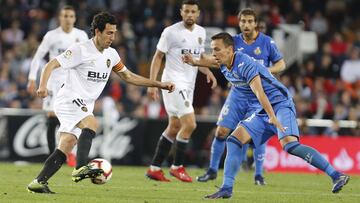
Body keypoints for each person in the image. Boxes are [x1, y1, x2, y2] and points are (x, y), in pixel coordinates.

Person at [184, 32, 349, 199]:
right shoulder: (223, 61)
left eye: (217, 49)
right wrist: (194, 61)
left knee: (289, 145)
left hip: (280, 104)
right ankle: (227, 188)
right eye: (213, 50)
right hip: (263, 109)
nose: (214, 54)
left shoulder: (245, 64)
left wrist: (272, 116)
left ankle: (336, 175)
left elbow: (260, 93)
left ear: (230, 50)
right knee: (234, 140)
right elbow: (208, 60)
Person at [27, 11, 175, 194]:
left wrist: (159, 84)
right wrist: (42, 86)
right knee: (92, 123)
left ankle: (38, 182)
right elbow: (51, 64)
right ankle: (80, 167)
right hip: (68, 99)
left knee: (67, 143)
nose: (113, 37)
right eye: (109, 33)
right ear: (97, 31)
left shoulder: (111, 55)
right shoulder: (80, 50)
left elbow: (128, 77)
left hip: (83, 104)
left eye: (114, 33)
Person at [196, 8, 286, 185]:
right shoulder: (233, 42)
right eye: (243, 21)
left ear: (255, 23)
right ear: (239, 23)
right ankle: (212, 170)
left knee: (257, 134)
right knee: (221, 131)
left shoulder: (267, 42)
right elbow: (216, 59)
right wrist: (197, 57)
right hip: (237, 93)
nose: (246, 24)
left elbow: (281, 64)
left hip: (258, 95)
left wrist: (265, 71)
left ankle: (259, 175)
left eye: (250, 21)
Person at [145, 0, 217, 183]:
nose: (190, 15)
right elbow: (158, 56)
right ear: (181, 12)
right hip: (173, 84)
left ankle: (154, 168)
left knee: (175, 126)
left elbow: (199, 58)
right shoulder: (171, 32)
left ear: (198, 13)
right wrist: (153, 84)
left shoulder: (201, 32)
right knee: (190, 124)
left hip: (189, 85)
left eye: (193, 11)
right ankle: (177, 167)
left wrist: (207, 70)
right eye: (187, 11)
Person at [27, 5, 88, 167]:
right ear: (60, 18)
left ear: (74, 19)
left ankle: (71, 154)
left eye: (71, 16)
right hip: (53, 82)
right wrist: (32, 78)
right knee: (52, 117)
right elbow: (39, 56)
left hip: (72, 82)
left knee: (74, 118)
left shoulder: (81, 35)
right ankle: (51, 156)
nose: (68, 19)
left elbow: (87, 58)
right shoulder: (51, 36)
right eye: (65, 16)